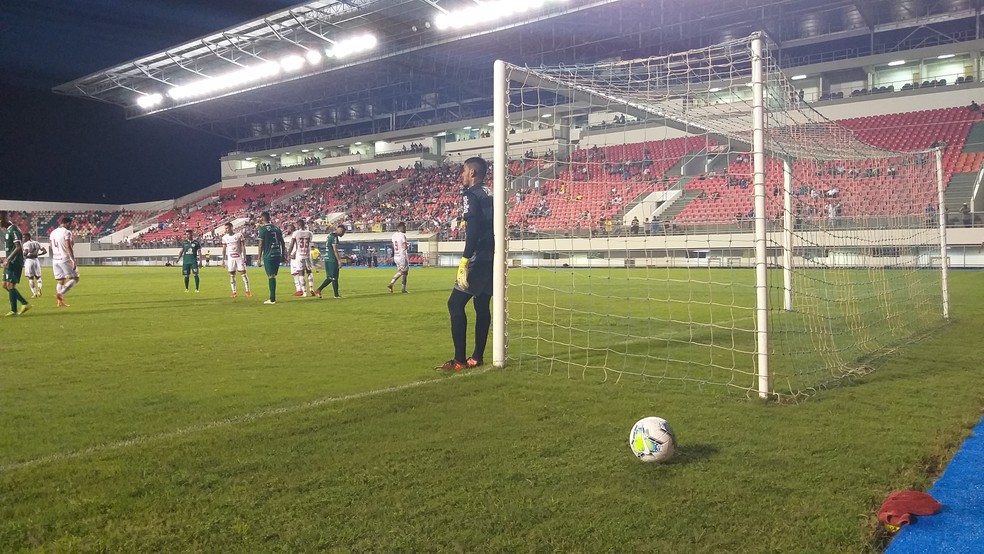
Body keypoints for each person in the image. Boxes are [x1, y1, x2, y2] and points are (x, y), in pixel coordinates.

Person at [437, 157, 494, 371]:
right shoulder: (492, 193)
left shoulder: (470, 194)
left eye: (463, 171)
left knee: (455, 304)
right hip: (493, 257)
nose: (461, 175)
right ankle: (477, 357)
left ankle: (459, 360)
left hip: (479, 256)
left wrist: (464, 259)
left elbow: (474, 229)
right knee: (481, 305)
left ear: (472, 173)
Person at [1, 211, 30, 316]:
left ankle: (14, 310)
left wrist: (8, 259)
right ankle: (24, 303)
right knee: (5, 285)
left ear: (2, 220)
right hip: (9, 261)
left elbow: (18, 247)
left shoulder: (14, 230)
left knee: (10, 285)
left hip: (15, 262)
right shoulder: (7, 230)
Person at [49, 216, 79, 308]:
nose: (71, 226)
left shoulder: (53, 232)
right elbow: (68, 246)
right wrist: (73, 259)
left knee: (61, 281)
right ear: (67, 223)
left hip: (55, 259)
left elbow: (51, 245)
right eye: (70, 224)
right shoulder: (67, 232)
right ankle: (60, 293)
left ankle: (60, 303)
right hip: (64, 258)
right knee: (75, 278)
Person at [257, 211, 286, 305]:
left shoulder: (262, 229)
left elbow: (261, 245)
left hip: (268, 255)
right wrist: (283, 255)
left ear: (262, 218)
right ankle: (272, 297)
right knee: (273, 276)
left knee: (271, 276)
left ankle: (272, 299)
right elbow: (282, 242)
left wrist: (259, 258)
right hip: (277, 254)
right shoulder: (277, 228)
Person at [221, 222, 251, 298]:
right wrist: (223, 260)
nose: (226, 230)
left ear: (231, 227)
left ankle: (247, 291)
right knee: (232, 275)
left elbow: (243, 246)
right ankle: (234, 292)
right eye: (225, 228)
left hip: (239, 257)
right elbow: (224, 249)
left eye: (227, 228)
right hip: (230, 258)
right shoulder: (224, 237)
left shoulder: (239, 235)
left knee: (243, 274)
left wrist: (244, 256)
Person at [287, 218, 315, 297]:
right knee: (309, 272)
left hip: (299, 255)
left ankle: (304, 292)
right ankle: (311, 288)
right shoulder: (310, 233)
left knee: (301, 273)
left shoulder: (295, 233)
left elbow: (292, 244)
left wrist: (289, 254)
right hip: (307, 254)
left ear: (298, 225)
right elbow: (309, 242)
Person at [315, 224, 345, 298]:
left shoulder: (329, 235)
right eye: (343, 232)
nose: (343, 234)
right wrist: (339, 260)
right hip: (332, 259)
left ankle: (336, 295)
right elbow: (335, 250)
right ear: (340, 230)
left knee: (334, 277)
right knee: (331, 277)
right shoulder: (334, 237)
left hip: (327, 258)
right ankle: (318, 290)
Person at [387, 222, 410, 293]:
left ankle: (403, 289)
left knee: (404, 272)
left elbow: (394, 245)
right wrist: (408, 246)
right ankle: (392, 283)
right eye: (404, 227)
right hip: (402, 256)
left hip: (396, 256)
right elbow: (405, 246)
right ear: (401, 227)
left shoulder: (393, 235)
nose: (405, 229)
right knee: (403, 272)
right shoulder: (402, 235)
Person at [21, 232, 46, 298]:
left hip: (29, 261)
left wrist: (23, 254)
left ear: (28, 237)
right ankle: (39, 289)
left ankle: (34, 294)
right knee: (38, 277)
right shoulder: (37, 243)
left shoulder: (26, 244)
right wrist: (38, 254)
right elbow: (44, 251)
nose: (23, 238)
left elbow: (25, 252)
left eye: (24, 237)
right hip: (36, 260)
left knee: (30, 277)